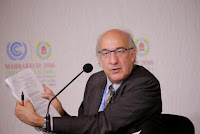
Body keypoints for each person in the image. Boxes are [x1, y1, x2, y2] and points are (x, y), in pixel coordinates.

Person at [15, 29, 166, 134]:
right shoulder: (96, 80)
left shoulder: (145, 84)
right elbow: (86, 126)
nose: (113, 60)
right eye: (106, 53)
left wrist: (43, 122)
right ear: (99, 59)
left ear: (132, 55)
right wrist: (59, 112)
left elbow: (103, 124)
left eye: (120, 51)